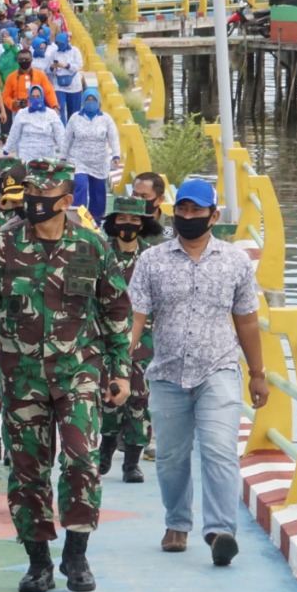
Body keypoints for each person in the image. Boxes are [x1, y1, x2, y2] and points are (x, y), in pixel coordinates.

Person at [0, 158, 131, 592]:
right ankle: (37, 560)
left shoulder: (91, 246)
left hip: (79, 371)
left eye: (44, 199)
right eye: (30, 198)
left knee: (81, 460)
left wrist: (122, 372)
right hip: (21, 376)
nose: (34, 205)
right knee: (28, 470)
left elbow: (115, 310)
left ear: (67, 201)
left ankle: (76, 557)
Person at [126, 178, 269, 568]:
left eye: (196, 211)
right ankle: (176, 523)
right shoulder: (151, 261)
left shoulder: (235, 262)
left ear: (213, 215)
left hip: (218, 368)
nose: (188, 217)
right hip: (168, 371)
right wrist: (121, 361)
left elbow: (248, 322)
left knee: (220, 450)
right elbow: (136, 315)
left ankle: (220, 531)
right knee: (171, 457)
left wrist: (257, 373)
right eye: (183, 210)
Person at [98, 195, 167, 481]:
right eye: (122, 219)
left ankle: (132, 463)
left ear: (144, 223)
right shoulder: (101, 252)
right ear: (114, 223)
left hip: (144, 342)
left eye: (134, 220)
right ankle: (106, 450)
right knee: (110, 399)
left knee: (139, 401)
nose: (128, 225)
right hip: (106, 339)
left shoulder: (154, 257)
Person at [62, 88, 120, 222]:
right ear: (83, 101)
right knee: (80, 186)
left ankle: (95, 221)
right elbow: (67, 139)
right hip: (78, 159)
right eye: (88, 100)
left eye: (93, 100)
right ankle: (78, 219)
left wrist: (116, 155)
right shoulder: (75, 118)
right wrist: (63, 157)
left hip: (99, 161)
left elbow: (113, 138)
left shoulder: (106, 119)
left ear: (99, 102)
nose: (91, 102)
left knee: (98, 193)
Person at [5, 85, 64, 163]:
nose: (36, 99)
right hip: (26, 155)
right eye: (33, 97)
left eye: (38, 96)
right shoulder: (22, 113)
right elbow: (14, 133)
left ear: (42, 97)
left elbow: (60, 134)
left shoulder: (51, 114)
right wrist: (6, 149)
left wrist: (64, 152)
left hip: (47, 156)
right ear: (29, 98)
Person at [47, 32, 84, 123]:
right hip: (59, 85)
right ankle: (62, 129)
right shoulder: (54, 53)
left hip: (74, 86)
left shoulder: (75, 51)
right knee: (60, 108)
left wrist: (66, 65)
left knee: (74, 111)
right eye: (58, 44)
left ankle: (72, 130)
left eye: (61, 44)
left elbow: (79, 65)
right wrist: (53, 67)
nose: (60, 46)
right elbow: (49, 70)